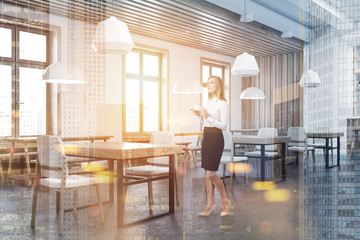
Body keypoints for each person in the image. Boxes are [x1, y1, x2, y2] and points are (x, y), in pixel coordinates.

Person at [191, 76, 231, 217]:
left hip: (216, 138)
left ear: (218, 85)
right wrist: (200, 115)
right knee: (207, 174)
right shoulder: (208, 102)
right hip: (206, 137)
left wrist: (207, 116)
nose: (209, 85)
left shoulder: (223, 104)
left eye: (212, 82)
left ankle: (225, 201)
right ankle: (210, 204)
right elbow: (205, 122)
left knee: (211, 174)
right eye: (208, 83)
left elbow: (224, 126)